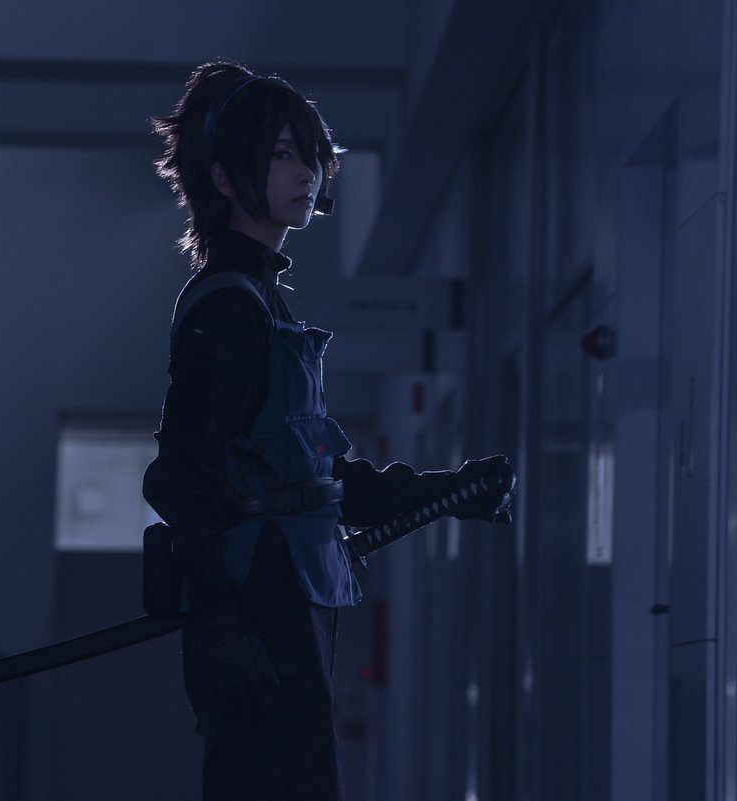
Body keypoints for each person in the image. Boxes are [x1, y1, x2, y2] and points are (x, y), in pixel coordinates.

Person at [142, 61, 516, 801]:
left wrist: (450, 492)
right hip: (257, 602)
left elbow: (318, 477)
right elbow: (182, 474)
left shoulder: (265, 302)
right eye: (282, 153)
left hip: (288, 592)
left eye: (310, 154)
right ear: (224, 177)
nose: (306, 172)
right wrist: (219, 622)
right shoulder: (230, 306)